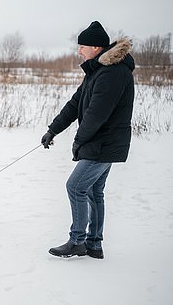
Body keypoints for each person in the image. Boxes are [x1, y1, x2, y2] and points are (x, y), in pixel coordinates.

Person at [41, 21, 135, 259]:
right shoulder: (98, 71)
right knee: (93, 192)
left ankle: (77, 241)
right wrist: (53, 129)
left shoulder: (112, 73)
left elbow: (96, 115)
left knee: (75, 186)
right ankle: (94, 244)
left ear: (96, 47)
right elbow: (75, 104)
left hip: (103, 143)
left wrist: (78, 142)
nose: (79, 51)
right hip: (103, 142)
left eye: (82, 46)